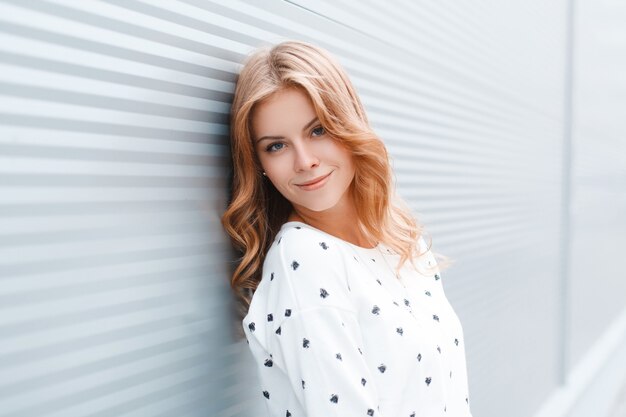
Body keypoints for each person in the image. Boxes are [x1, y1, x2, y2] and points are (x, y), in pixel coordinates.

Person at [221, 40, 473, 417]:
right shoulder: (302, 259)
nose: (304, 161)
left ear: (349, 124)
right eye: (276, 146)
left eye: (318, 130)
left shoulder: (403, 239)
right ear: (258, 164)